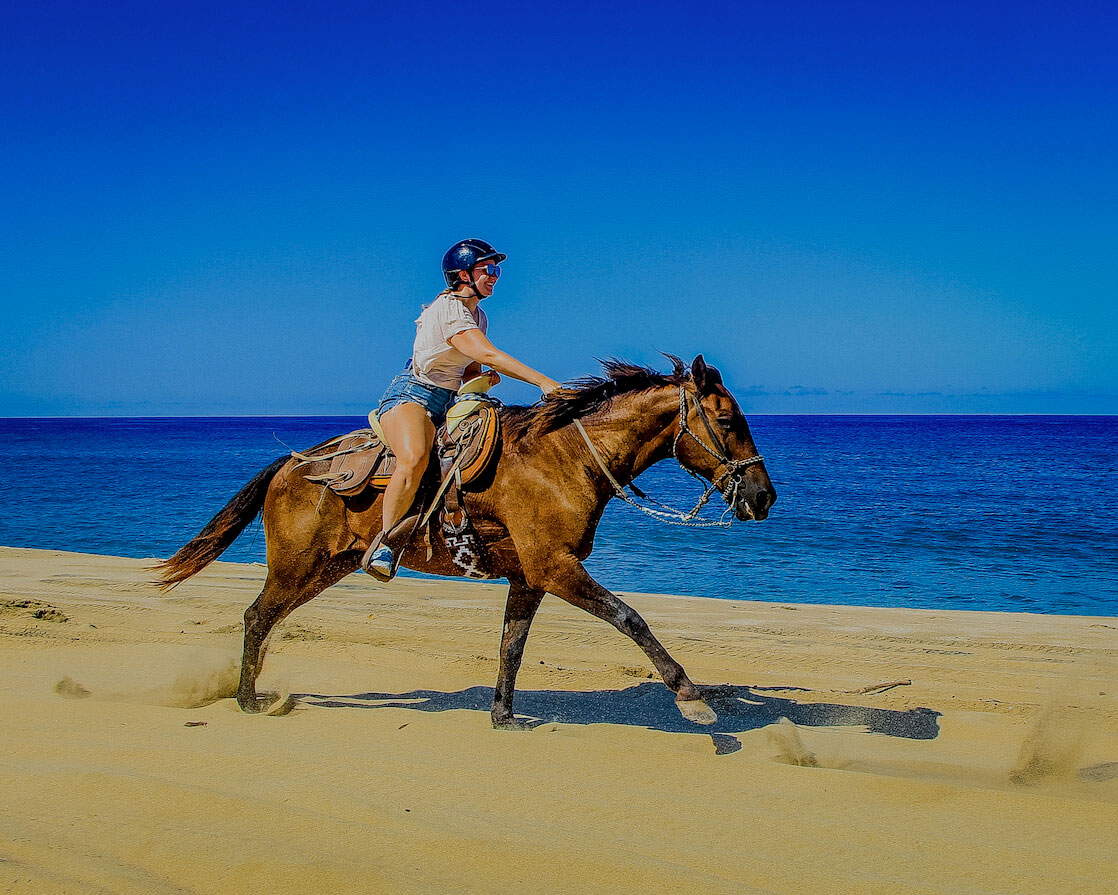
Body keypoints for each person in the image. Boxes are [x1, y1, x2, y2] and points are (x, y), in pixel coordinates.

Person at [363, 238, 561, 580]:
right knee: (414, 459)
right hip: (412, 396)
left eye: (496, 270)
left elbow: (469, 364)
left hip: (448, 399)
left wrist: (481, 380)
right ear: (463, 275)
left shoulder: (478, 316)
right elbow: (486, 352)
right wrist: (544, 382)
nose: (496, 276)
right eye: (490, 270)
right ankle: (384, 543)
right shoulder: (449, 308)